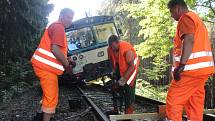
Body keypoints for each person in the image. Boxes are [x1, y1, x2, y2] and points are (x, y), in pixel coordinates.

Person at [166, 0, 215, 121]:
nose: (171, 15)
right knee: (194, 103)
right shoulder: (196, 19)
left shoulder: (185, 18)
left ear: (177, 8)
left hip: (189, 71)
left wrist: (181, 65)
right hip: (202, 71)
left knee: (173, 101)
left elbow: (189, 39)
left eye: (171, 12)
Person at [31, 8, 75, 121]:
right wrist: (67, 66)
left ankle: (41, 116)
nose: (70, 20)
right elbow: (55, 50)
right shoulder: (59, 27)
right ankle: (46, 119)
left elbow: (55, 51)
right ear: (61, 15)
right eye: (68, 17)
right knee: (51, 97)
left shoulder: (56, 27)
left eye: (71, 18)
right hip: (45, 68)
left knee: (49, 95)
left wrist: (67, 59)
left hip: (44, 67)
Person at [107, 35, 139, 114]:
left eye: (114, 46)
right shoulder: (110, 48)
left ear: (118, 43)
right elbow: (111, 60)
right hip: (120, 67)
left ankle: (129, 112)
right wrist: (113, 71)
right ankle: (116, 109)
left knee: (129, 88)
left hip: (131, 68)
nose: (113, 48)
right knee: (115, 86)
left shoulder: (126, 49)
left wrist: (124, 78)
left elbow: (131, 65)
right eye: (111, 47)